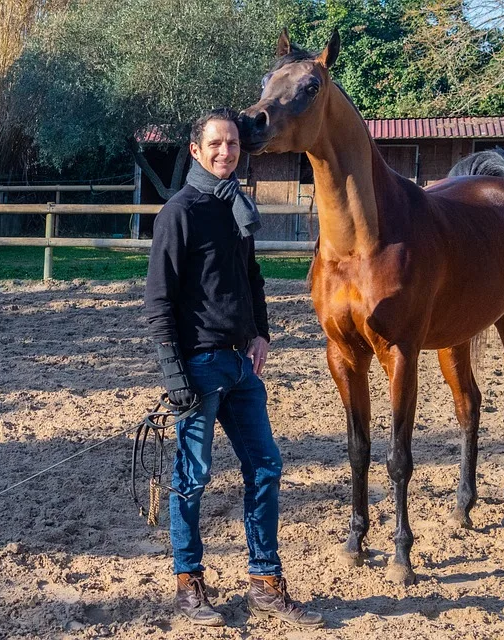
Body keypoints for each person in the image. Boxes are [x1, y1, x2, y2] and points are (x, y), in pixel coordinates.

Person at [144, 108, 323, 629]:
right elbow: (159, 301)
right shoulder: (178, 213)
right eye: (215, 145)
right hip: (198, 365)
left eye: (233, 145)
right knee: (192, 477)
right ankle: (189, 583)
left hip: (242, 366)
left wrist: (261, 331)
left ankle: (264, 582)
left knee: (265, 465)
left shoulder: (236, 208)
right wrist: (174, 376)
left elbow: (252, 278)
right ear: (196, 151)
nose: (226, 152)